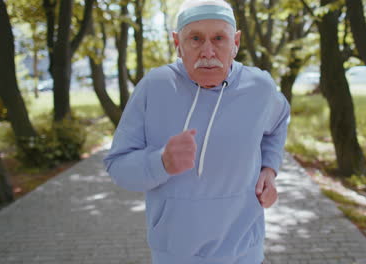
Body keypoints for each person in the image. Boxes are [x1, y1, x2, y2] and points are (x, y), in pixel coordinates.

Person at [103, 0, 290, 263]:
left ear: (235, 42)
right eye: (196, 39)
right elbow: (117, 166)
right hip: (175, 254)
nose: (208, 51)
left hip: (243, 251)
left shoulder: (260, 87)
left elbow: (279, 122)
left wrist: (269, 169)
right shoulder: (154, 88)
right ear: (177, 44)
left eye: (218, 39)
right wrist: (161, 162)